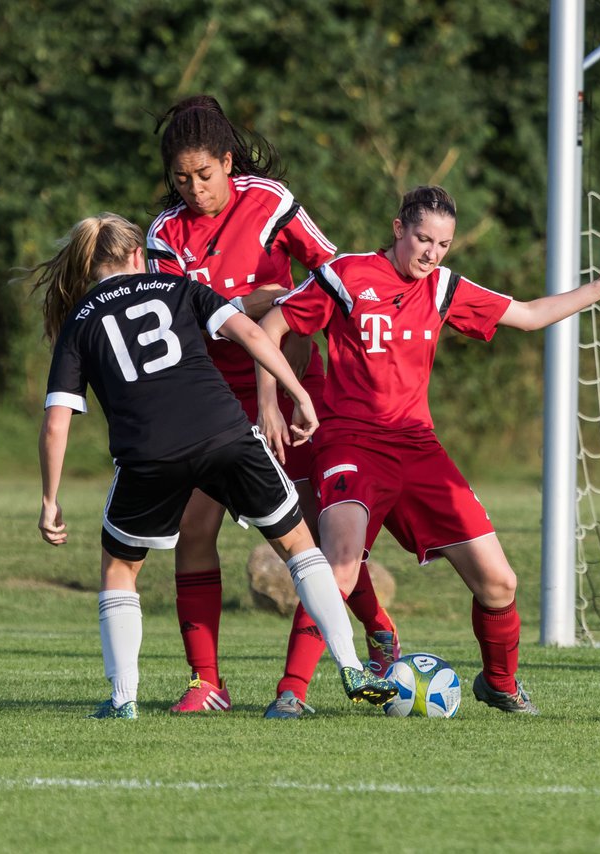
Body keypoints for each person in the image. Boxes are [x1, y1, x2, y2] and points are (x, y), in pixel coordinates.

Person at [256, 185, 600, 715]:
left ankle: (500, 682)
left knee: (500, 583)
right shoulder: (348, 274)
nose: (432, 253)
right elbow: (273, 325)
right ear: (398, 230)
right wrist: (270, 403)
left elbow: (526, 315)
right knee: (340, 567)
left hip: (417, 447)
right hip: (351, 442)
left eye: (443, 244)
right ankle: (291, 694)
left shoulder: (442, 288)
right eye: (423, 239)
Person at [29, 212, 395, 718]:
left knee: (120, 568)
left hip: (149, 456)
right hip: (225, 434)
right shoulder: (178, 288)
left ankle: (123, 700)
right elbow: (251, 334)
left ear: (92, 264)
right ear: (139, 256)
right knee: (299, 547)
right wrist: (296, 394)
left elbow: (56, 423)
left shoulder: (80, 320)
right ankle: (351, 664)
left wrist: (50, 500)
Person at [146, 95, 400, 718]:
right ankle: (208, 682)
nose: (194, 189)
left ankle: (335, 661)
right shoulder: (163, 234)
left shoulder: (270, 201)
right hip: (209, 401)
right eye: (181, 179)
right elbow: (186, 326)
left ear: (228, 162)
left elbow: (334, 276)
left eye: (204, 175)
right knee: (195, 532)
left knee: (311, 535)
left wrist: (280, 311)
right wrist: (262, 300)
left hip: (291, 393)